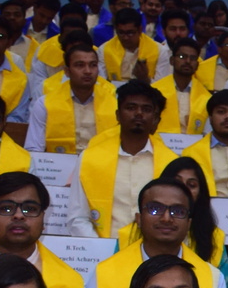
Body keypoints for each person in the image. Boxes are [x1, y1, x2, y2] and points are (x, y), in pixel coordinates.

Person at [76, 176, 228, 288]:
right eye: (154, 209)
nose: (166, 218)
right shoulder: (103, 274)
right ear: (138, 218)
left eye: (178, 211)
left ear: (189, 223)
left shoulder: (211, 278)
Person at [74, 81, 178, 237]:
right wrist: (102, 248)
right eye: (131, 108)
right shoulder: (89, 158)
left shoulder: (171, 162)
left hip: (153, 249)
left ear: (155, 118)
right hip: (104, 247)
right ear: (118, 115)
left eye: (146, 109)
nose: (139, 113)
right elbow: (78, 218)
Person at [26, 39, 116, 154]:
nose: (88, 71)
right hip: (58, 163)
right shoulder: (45, 104)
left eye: (93, 65)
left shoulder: (114, 102)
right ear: (67, 71)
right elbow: (34, 149)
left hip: (102, 162)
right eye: (80, 65)